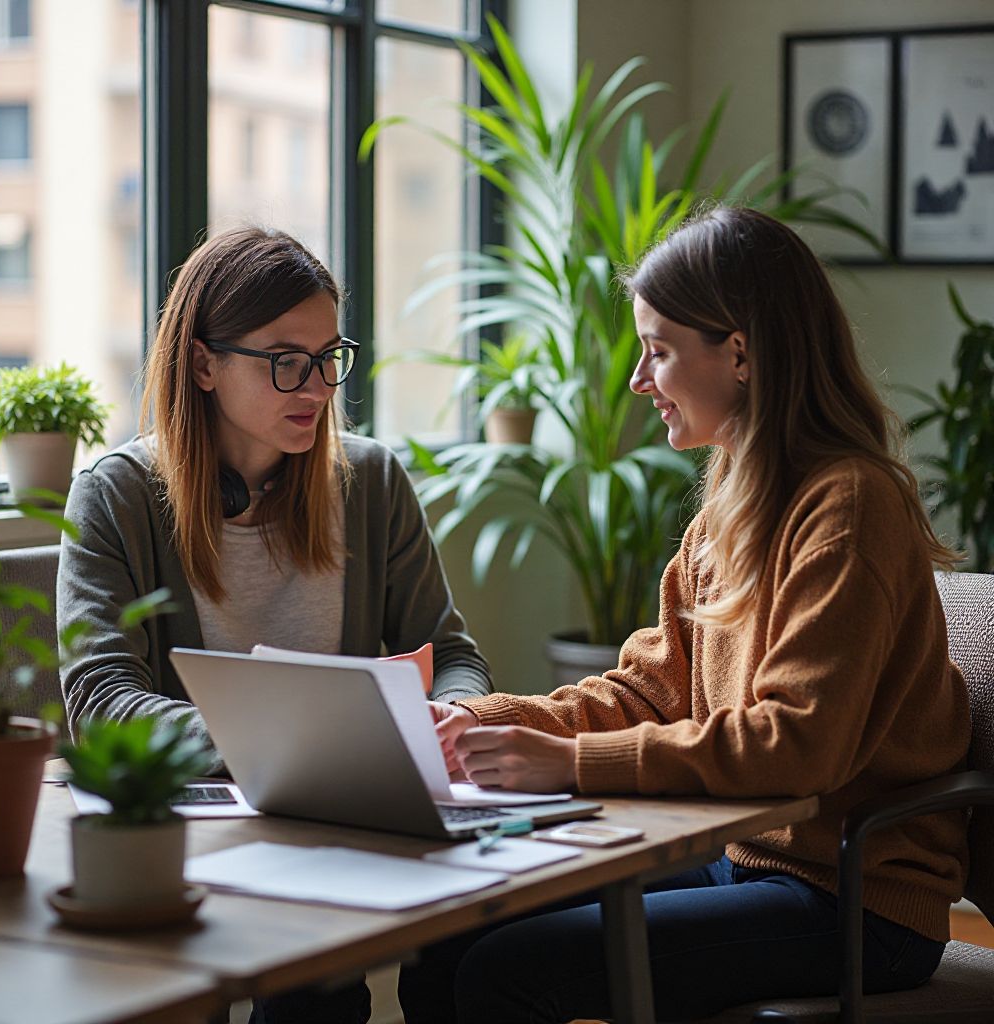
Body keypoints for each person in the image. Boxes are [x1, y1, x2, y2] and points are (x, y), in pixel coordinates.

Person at [399, 206, 971, 1023]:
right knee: (446, 939)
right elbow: (649, 692)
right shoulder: (727, 514)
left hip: (854, 902)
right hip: (749, 862)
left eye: (658, 350)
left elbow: (796, 745)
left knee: (509, 970)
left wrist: (568, 763)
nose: (639, 380)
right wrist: (479, 721)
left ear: (739, 354)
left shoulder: (848, 507)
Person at [57, 226, 492, 1024]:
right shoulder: (117, 495)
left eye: (330, 357)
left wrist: (454, 715)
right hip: (190, 843)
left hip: (334, 832)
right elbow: (99, 701)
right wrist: (285, 741)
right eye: (286, 360)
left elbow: (453, 653)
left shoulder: (369, 481)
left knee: (357, 985)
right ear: (204, 364)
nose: (317, 387)